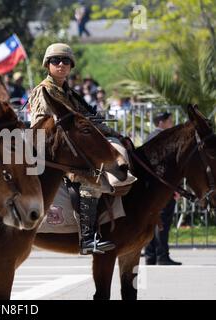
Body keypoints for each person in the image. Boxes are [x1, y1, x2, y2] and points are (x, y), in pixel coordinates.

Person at [29, 43, 136, 255]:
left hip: (75, 149)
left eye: (65, 61)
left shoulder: (68, 92)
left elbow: (89, 122)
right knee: (89, 180)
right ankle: (88, 238)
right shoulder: (43, 91)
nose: (61, 64)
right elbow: (40, 127)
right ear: (47, 65)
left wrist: (114, 135)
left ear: (71, 66)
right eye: (55, 61)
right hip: (56, 153)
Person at [144, 112, 182, 265]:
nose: (172, 122)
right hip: (163, 189)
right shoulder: (163, 139)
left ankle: (150, 256)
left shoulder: (150, 137)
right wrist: (174, 188)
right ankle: (162, 256)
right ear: (161, 122)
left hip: (151, 189)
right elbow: (165, 168)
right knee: (162, 223)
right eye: (169, 120)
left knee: (151, 222)